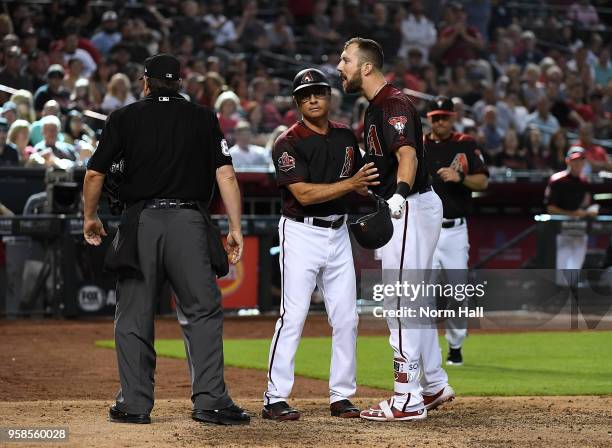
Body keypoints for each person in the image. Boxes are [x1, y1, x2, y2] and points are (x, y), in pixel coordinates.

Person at [82, 54, 249, 426]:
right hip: (189, 222)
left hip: (140, 222)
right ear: (179, 84)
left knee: (133, 315)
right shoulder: (203, 117)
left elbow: (94, 175)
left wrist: (90, 218)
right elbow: (227, 176)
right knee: (202, 311)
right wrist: (234, 227)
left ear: (145, 82)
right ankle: (210, 402)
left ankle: (134, 405)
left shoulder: (124, 117)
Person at [337, 37, 455, 422]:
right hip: (411, 204)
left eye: (346, 60)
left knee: (400, 301)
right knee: (413, 300)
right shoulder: (376, 107)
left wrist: (399, 194)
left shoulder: (392, 104)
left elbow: (407, 154)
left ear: (366, 67)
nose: (340, 66)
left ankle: (407, 397)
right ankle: (433, 383)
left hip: (409, 205)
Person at [262, 68, 378, 421]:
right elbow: (304, 194)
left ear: (329, 97)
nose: (313, 99)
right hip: (301, 232)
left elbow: (364, 181)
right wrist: (351, 185)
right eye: (305, 95)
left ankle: (342, 395)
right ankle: (274, 397)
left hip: (339, 232)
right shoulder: (288, 142)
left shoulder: (344, 135)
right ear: (297, 102)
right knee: (293, 315)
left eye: (318, 92)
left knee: (346, 317)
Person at [424, 97, 489, 366]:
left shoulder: (465, 143)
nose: (440, 122)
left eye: (444, 117)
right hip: (425, 230)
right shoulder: (418, 144)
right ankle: (424, 351)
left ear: (452, 118)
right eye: (436, 117)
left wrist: (460, 177)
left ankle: (455, 346)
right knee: (420, 292)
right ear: (429, 118)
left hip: (454, 230)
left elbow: (483, 181)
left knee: (457, 292)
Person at [544, 146, 598, 272]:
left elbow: (590, 204)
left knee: (575, 270)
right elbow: (550, 208)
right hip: (560, 231)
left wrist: (591, 211)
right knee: (561, 268)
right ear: (568, 161)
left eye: (581, 160)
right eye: (575, 160)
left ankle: (571, 290)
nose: (578, 163)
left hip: (580, 230)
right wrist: (573, 214)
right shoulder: (557, 180)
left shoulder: (586, 182)